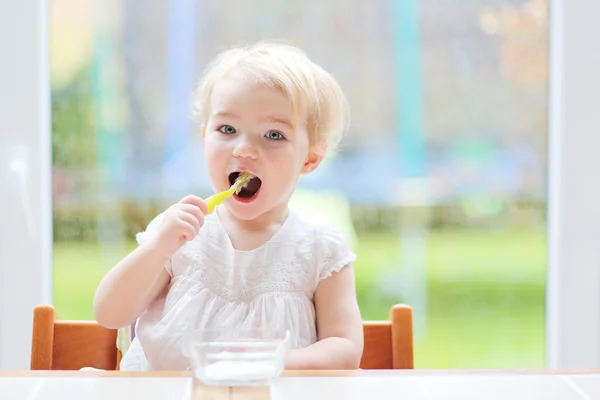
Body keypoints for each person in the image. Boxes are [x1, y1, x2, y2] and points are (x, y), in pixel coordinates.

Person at [92, 41, 364, 371]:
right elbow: (108, 314)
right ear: (205, 135)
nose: (245, 149)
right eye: (227, 129)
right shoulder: (179, 232)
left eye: (273, 135)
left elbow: (345, 349)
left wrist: (272, 363)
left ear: (310, 158)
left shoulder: (321, 251)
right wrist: (156, 250)